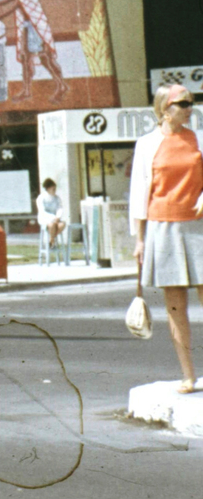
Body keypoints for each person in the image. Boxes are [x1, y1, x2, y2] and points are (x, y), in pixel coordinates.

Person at [131, 83, 203, 393]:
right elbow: (139, 194)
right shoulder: (147, 145)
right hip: (163, 227)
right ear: (164, 109)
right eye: (183, 103)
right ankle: (188, 375)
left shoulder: (198, 137)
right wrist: (140, 239)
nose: (189, 108)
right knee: (175, 306)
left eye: (191, 102)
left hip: (198, 226)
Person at [35, 178, 68, 249]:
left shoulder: (57, 198)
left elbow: (60, 208)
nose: (54, 191)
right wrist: (53, 218)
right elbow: (42, 211)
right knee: (52, 225)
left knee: (62, 224)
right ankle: (53, 240)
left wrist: (58, 217)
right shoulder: (41, 198)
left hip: (55, 219)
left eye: (55, 189)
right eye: (53, 189)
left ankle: (51, 239)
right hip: (45, 219)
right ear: (48, 188)